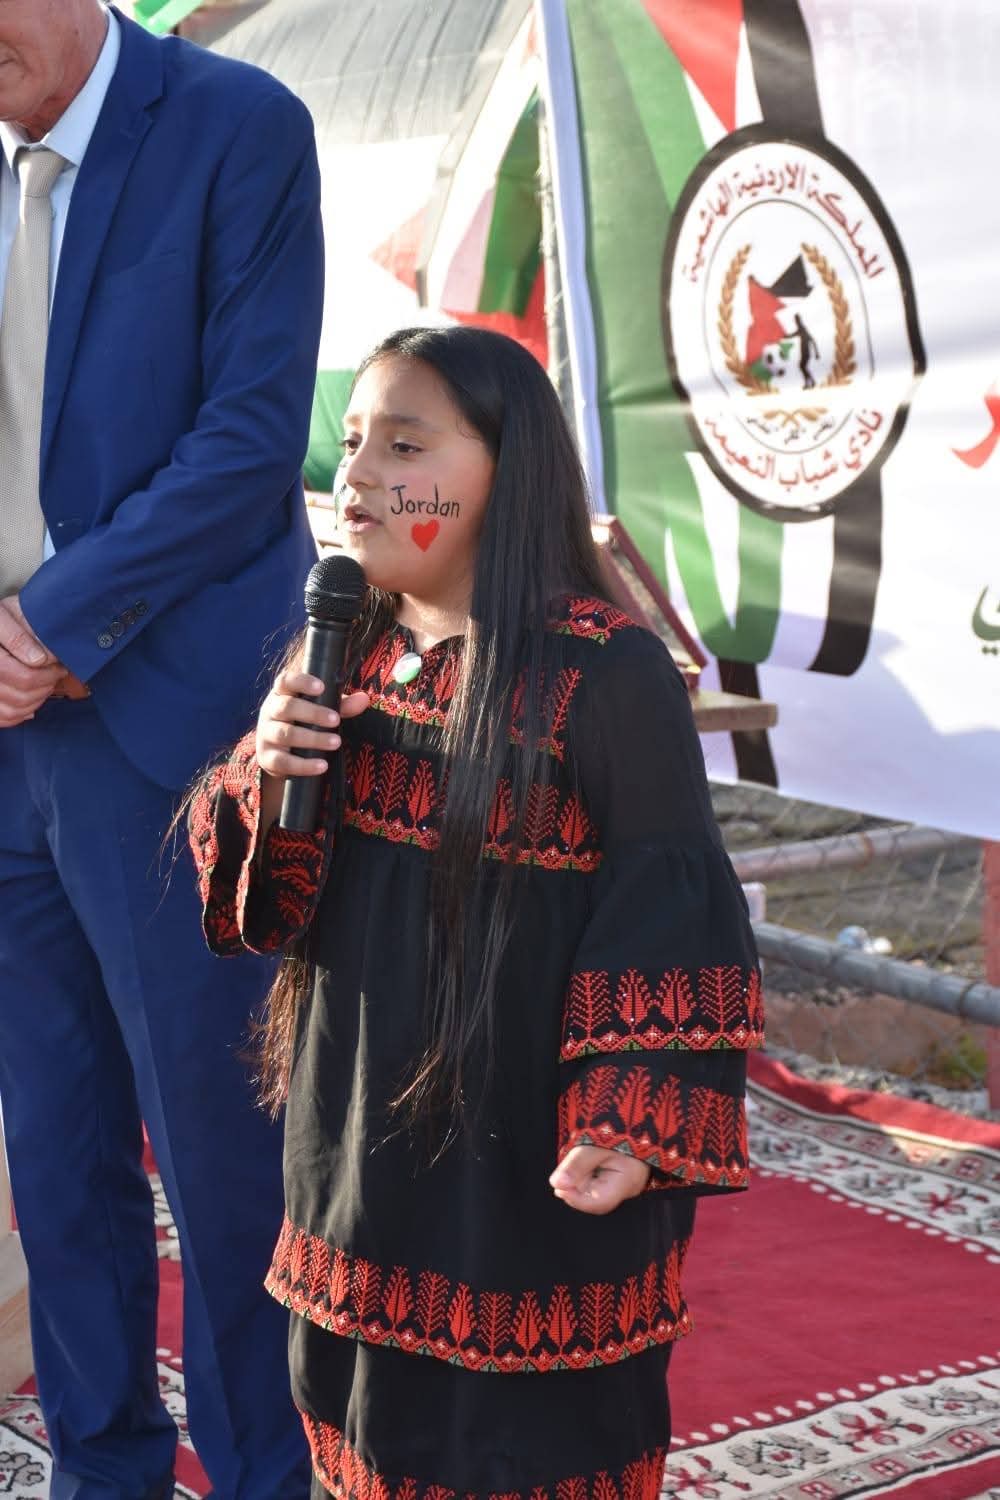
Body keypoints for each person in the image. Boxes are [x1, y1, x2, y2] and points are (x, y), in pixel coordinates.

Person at [189, 327, 764, 1500]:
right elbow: (272, 909)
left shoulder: (603, 670)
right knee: (364, 1444)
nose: (358, 475)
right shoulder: (348, 652)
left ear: (511, 470)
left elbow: (670, 902)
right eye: (354, 440)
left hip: (525, 1180)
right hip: (358, 1162)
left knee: (524, 1451)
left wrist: (625, 1118)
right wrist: (264, 767)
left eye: (405, 446)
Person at [0, 2, 323, 1495]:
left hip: (169, 728)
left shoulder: (236, 126)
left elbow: (249, 441)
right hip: (6, 733)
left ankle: (267, 1475)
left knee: (219, 1152)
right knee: (56, 1153)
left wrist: (56, 621)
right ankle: (103, 1472)